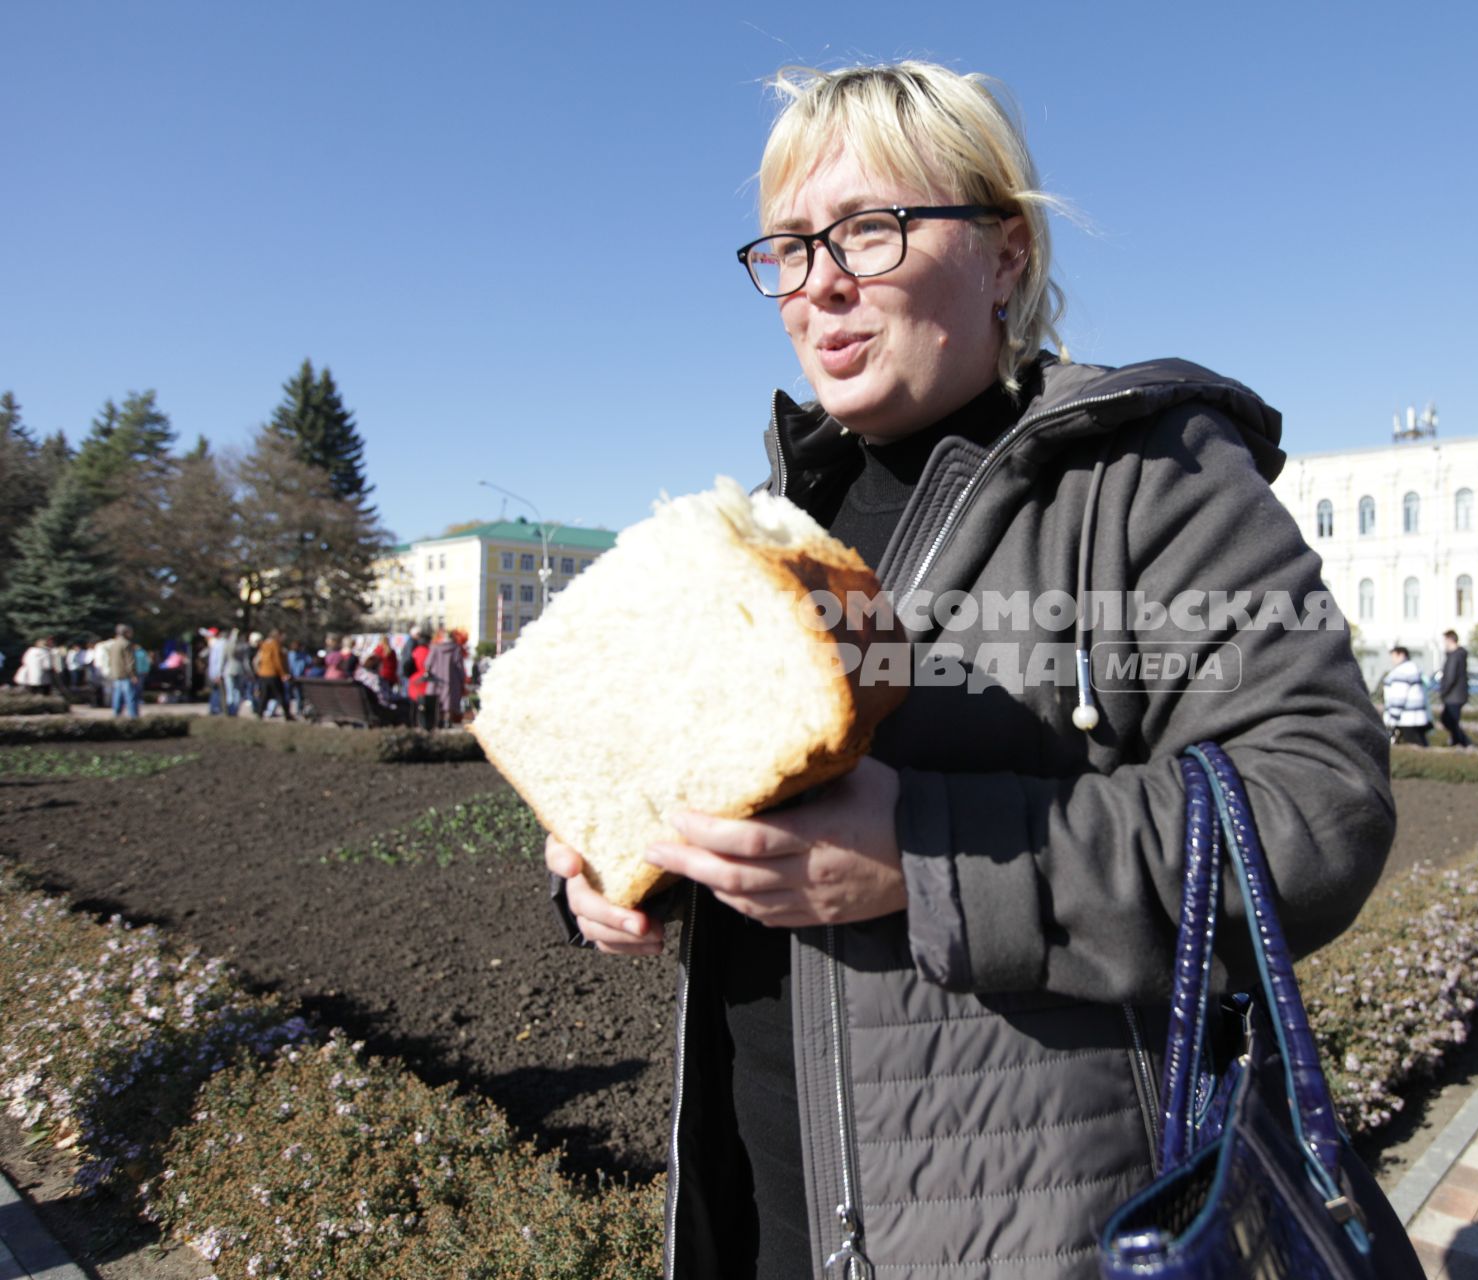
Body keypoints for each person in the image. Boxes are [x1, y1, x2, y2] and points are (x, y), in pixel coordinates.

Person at [541, 61, 1398, 1279]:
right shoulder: (776, 520)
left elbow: (1318, 809)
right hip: (764, 1203)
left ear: (1005, 253)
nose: (819, 280)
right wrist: (624, 861)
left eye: (871, 229)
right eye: (788, 245)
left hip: (1039, 1227)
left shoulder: (1146, 478)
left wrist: (925, 856)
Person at [1381, 644, 1431, 746]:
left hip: (1406, 718)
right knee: (1421, 745)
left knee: (1415, 747)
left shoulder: (1402, 671)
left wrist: (1392, 717)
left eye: (1394, 656)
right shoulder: (1412, 668)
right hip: (1416, 717)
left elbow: (1399, 696)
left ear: (1401, 655)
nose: (1392, 660)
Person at [1437, 628, 1472, 746]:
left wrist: (1443, 691)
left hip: (1454, 695)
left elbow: (1451, 676)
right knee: (1449, 720)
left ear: (1450, 640)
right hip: (1456, 694)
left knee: (1450, 720)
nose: (1444, 643)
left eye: (1445, 640)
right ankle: (1459, 741)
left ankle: (1463, 742)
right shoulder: (1457, 655)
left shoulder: (1455, 656)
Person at [253, 627, 290, 719]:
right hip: (273, 673)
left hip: (263, 673)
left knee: (264, 695)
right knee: (281, 695)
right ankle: (287, 714)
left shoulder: (265, 644)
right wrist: (283, 674)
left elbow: (259, 659)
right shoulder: (275, 644)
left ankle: (259, 713)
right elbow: (277, 661)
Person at [205, 628, 229, 715]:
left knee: (218, 692)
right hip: (216, 673)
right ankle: (215, 709)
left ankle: (216, 709)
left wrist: (217, 673)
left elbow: (219, 661)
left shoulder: (220, 644)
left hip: (217, 673)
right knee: (217, 691)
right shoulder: (217, 644)